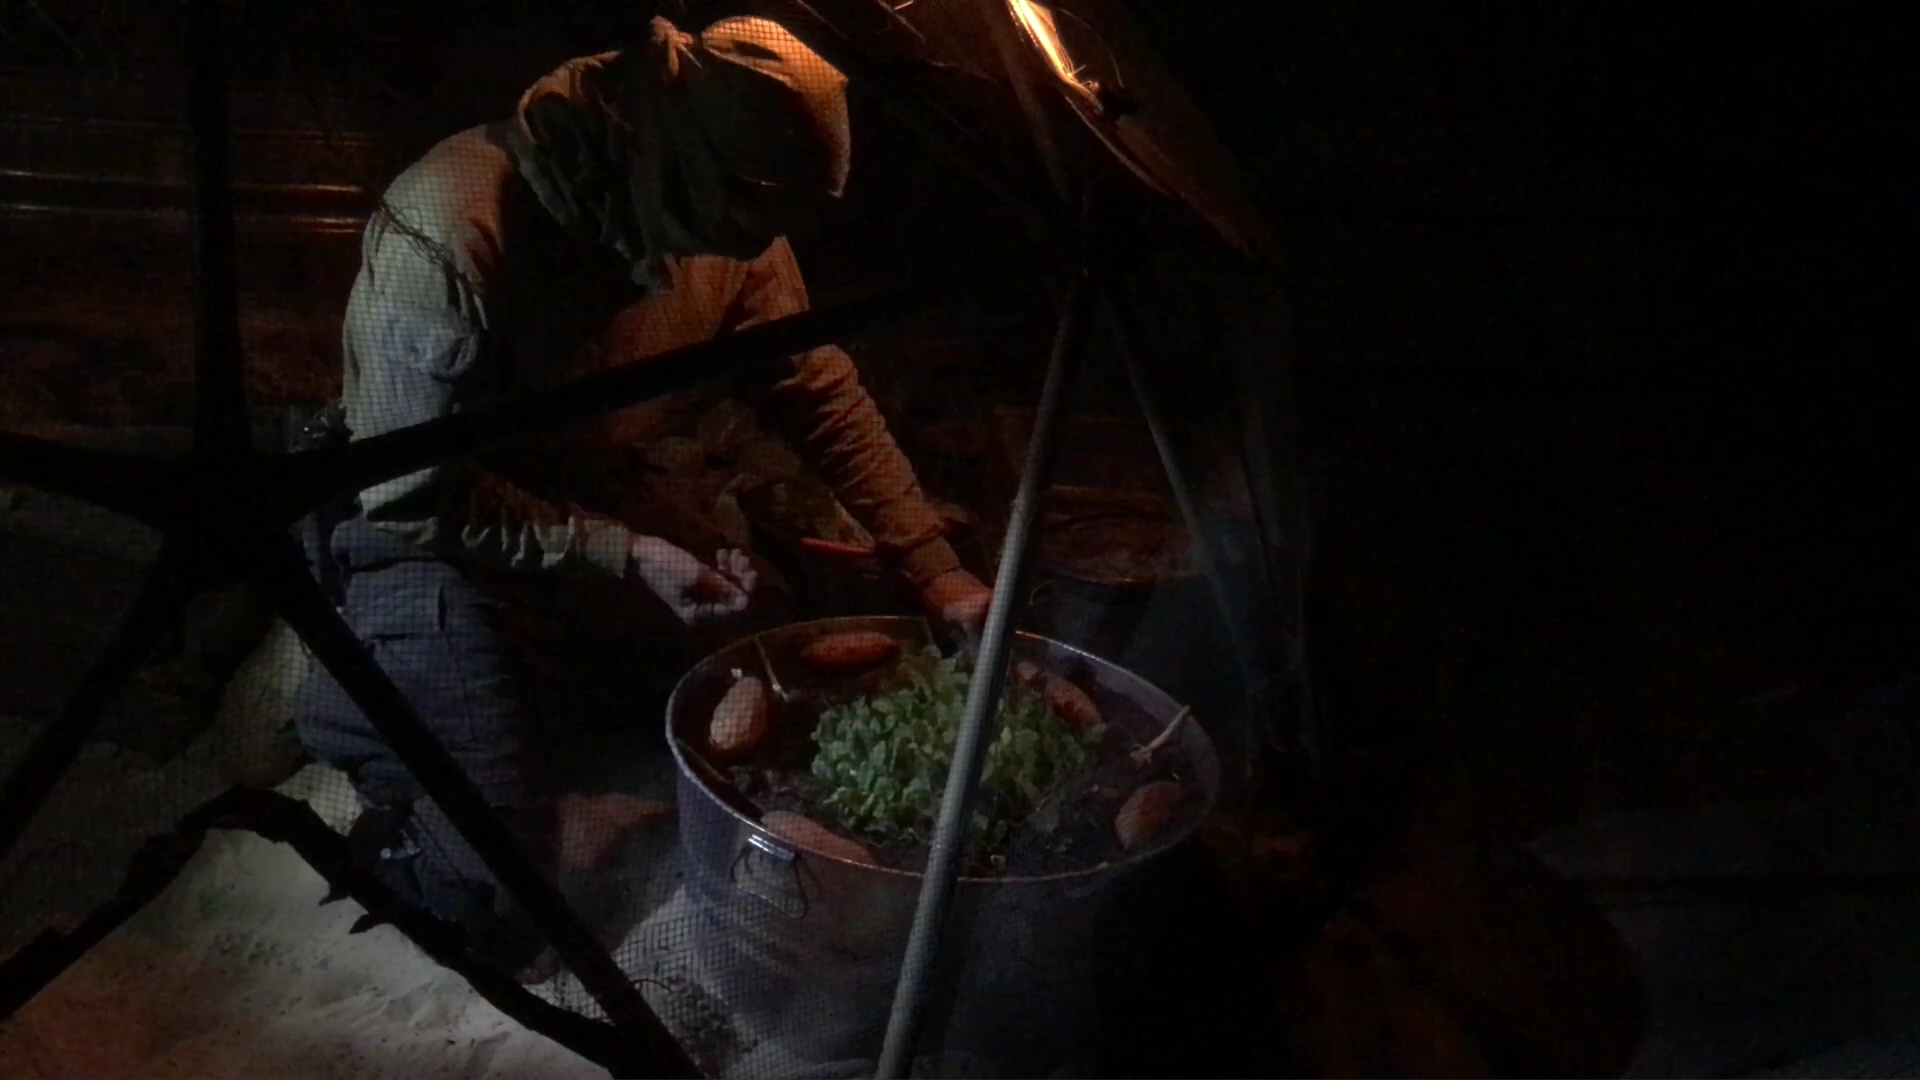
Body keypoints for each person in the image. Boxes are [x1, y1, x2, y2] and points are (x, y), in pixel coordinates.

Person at [294, 15, 992, 980]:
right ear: (682, 151)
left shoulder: (728, 222)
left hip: (587, 494)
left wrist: (935, 568)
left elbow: (814, 387)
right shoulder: (459, 226)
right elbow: (409, 491)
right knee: (504, 898)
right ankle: (359, 708)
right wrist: (624, 556)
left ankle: (537, 693)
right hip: (428, 533)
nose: (759, 243)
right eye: (751, 212)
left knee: (767, 649)